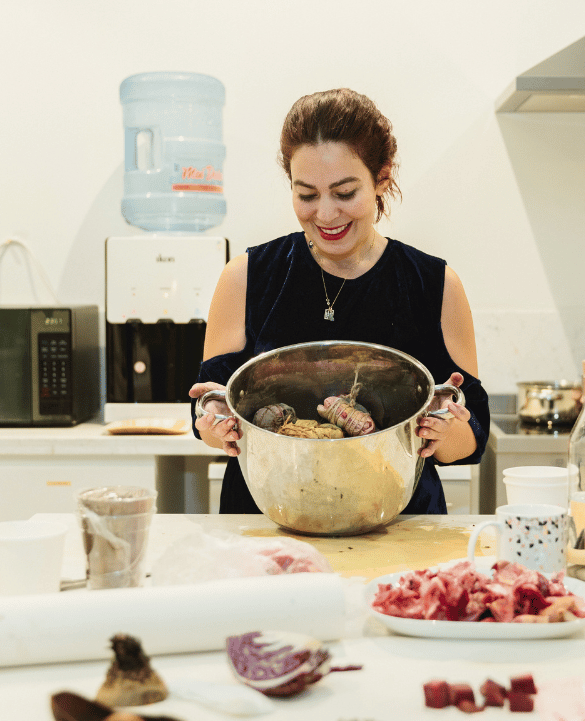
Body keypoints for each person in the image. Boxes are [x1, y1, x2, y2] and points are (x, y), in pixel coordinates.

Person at [189, 88, 489, 514]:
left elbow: (471, 438)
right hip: (270, 520)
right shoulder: (246, 277)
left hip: (394, 522)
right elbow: (207, 416)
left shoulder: (434, 284)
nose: (326, 214)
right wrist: (215, 421)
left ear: (381, 178)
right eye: (307, 195)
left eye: (345, 193)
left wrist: (447, 431)